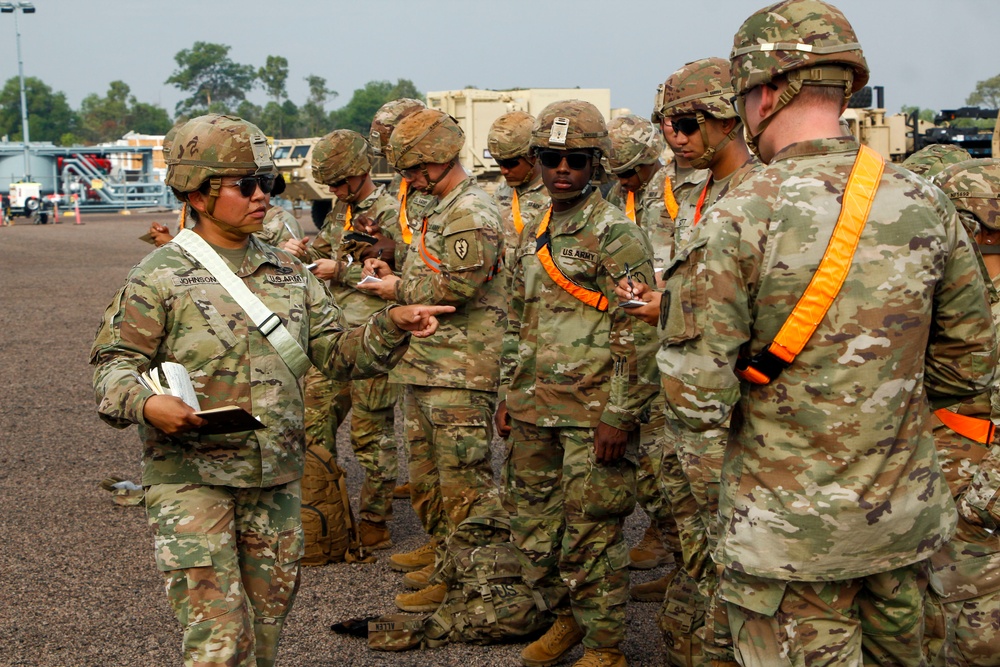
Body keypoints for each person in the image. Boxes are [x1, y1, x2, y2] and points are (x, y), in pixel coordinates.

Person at [621, 2, 998, 664]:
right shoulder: (926, 202)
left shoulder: (737, 218)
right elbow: (968, 373)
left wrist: (737, 517)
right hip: (899, 536)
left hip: (783, 551)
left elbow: (694, 399)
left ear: (763, 94)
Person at [90, 114, 451, 667]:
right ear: (198, 193)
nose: (263, 197)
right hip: (193, 481)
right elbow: (113, 365)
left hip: (276, 480)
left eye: (269, 184)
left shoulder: (289, 274)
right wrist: (147, 404)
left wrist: (391, 325)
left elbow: (336, 353)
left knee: (262, 640)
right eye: (246, 185)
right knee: (218, 645)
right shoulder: (157, 276)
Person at [495, 99, 659, 667]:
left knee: (591, 536)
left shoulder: (617, 234)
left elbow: (637, 330)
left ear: (598, 165)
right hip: (533, 409)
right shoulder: (535, 227)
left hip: (592, 416)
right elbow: (517, 316)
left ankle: (607, 647)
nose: (562, 170)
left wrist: (620, 412)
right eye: (550, 158)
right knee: (534, 533)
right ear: (536, 161)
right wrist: (507, 394)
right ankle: (564, 618)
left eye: (577, 160)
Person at [617, 57, 755, 667]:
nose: (674, 136)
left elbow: (760, 312)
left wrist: (665, 308)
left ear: (728, 117)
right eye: (666, 123)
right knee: (694, 552)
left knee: (735, 563)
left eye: (687, 122)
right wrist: (661, 300)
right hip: (680, 405)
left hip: (731, 416)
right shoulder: (694, 193)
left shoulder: (763, 194)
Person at [360, 108, 506, 612]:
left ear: (438, 158)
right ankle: (450, 567)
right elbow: (433, 267)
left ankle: (478, 588)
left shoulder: (471, 211)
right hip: (429, 363)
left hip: (462, 370)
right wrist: (393, 266)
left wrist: (397, 287)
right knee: (431, 479)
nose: (408, 181)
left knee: (466, 485)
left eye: (413, 170)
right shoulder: (439, 207)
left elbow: (461, 285)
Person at [281, 129, 405, 550]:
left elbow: (392, 275)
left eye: (338, 182)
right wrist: (302, 252)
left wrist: (341, 271)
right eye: (329, 185)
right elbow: (331, 252)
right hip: (332, 339)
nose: (334, 190)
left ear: (360, 171)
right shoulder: (340, 210)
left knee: (372, 437)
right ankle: (322, 512)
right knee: (312, 428)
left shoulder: (391, 212)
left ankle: (374, 519)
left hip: (374, 340)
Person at [603, 113, 683, 601]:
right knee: (652, 468)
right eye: (617, 173)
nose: (624, 181)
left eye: (631, 172)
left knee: (667, 468)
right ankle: (671, 557)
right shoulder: (621, 197)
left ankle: (683, 572)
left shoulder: (675, 194)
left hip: (667, 341)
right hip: (633, 339)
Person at [925, 158, 1000, 666]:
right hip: (954, 493)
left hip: (981, 509)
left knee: (975, 641)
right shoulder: (960, 297)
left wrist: (982, 497)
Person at [487, 110, 549, 289]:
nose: (504, 171)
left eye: (511, 163)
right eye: (499, 163)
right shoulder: (503, 190)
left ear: (533, 156)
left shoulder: (555, 193)